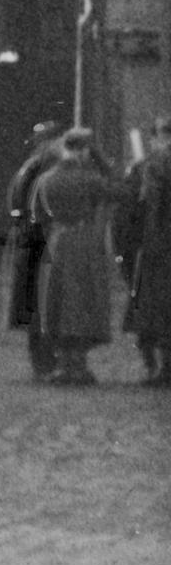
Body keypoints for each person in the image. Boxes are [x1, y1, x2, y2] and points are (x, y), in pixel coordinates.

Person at [31, 127, 116, 385]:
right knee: (80, 300)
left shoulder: (46, 180)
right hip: (82, 242)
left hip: (56, 241)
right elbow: (118, 190)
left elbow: (38, 212)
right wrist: (101, 161)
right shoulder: (89, 179)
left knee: (58, 300)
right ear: (83, 151)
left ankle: (64, 362)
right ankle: (78, 364)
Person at [5, 120, 66, 381]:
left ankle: (43, 361)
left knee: (40, 303)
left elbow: (16, 203)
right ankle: (45, 361)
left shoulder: (32, 166)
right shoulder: (47, 167)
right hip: (41, 240)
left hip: (32, 240)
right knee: (44, 303)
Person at [117, 114, 171, 386]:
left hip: (155, 251)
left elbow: (131, 215)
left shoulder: (148, 168)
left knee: (152, 312)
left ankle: (156, 367)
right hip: (156, 249)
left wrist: (127, 253)